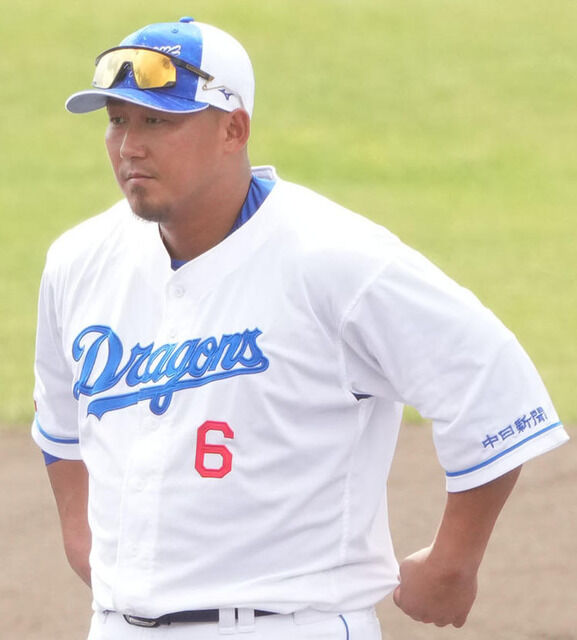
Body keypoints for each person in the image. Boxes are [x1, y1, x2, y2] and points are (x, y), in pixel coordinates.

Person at [32, 17, 569, 640]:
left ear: (234, 129)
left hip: (289, 624)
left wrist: (453, 564)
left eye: (157, 121)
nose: (129, 146)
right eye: (117, 120)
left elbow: (494, 384)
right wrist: (81, 538)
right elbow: (60, 417)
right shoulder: (78, 262)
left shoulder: (337, 259)